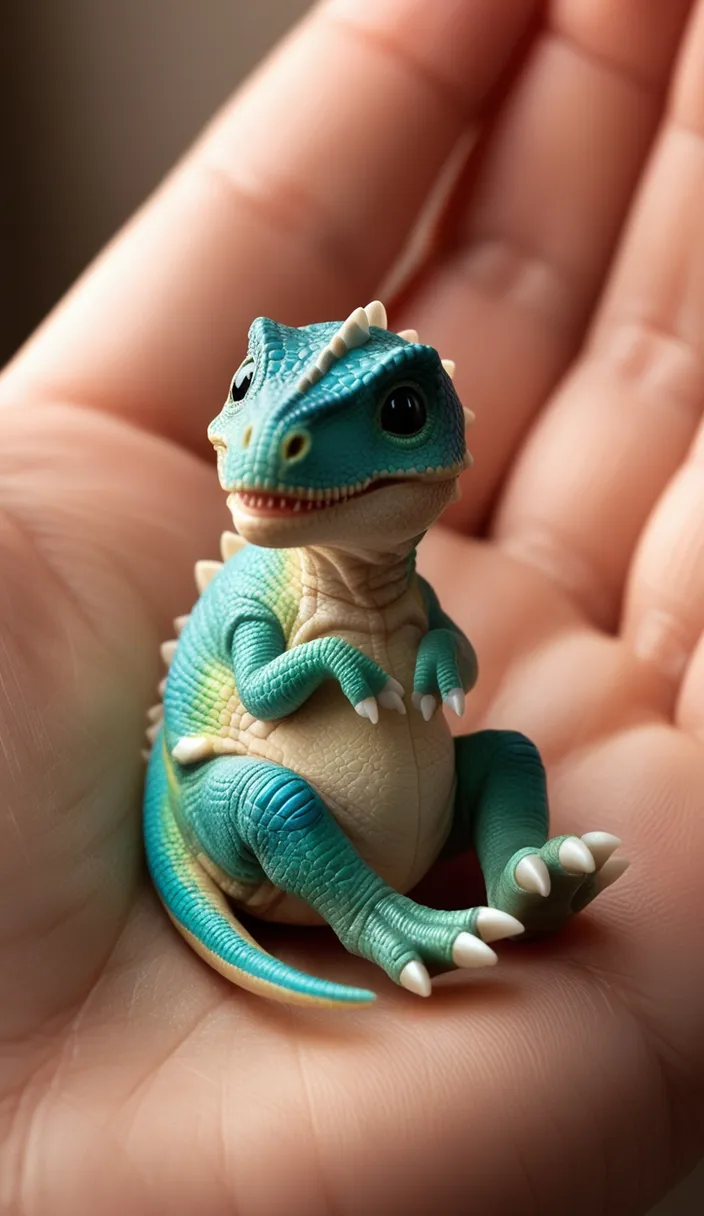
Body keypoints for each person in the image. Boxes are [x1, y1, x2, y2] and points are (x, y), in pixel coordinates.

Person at [0, 0, 702, 1211]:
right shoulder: (264, 594)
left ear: (430, 443)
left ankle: (518, 871)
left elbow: (446, 647)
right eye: (246, 400)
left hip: (404, 816)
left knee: (507, 753)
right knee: (260, 786)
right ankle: (384, 924)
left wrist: (435, 646)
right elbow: (257, 692)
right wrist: (322, 674)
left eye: (383, 418)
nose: (269, 452)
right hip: (244, 832)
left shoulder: (402, 583)